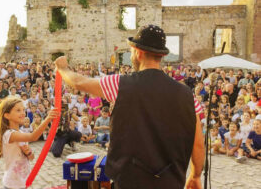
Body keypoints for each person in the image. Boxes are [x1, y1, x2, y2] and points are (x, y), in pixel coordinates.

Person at [55, 25, 204, 189]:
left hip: (130, 180)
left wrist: (62, 68)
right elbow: (197, 143)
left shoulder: (119, 84)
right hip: (170, 181)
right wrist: (196, 175)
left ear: (138, 53)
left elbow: (78, 82)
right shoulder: (187, 95)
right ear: (161, 55)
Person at [0, 97, 59, 189]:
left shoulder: (21, 133)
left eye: (23, 110)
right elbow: (33, 137)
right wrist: (48, 119)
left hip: (23, 182)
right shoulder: (9, 134)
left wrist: (28, 152)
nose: (23, 113)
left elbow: (31, 157)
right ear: (7, 115)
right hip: (12, 184)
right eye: (18, 110)